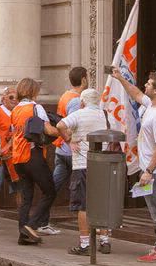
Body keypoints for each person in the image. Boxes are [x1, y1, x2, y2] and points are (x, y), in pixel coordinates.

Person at [112, 67, 156, 262]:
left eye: (149, 84)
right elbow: (136, 94)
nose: (145, 86)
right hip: (152, 170)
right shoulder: (151, 105)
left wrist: (148, 171)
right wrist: (120, 78)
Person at [56, 88, 110, 255]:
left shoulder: (79, 114)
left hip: (82, 163)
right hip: (101, 163)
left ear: (82, 102)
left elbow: (60, 125)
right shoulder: (103, 114)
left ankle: (85, 244)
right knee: (101, 203)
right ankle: (105, 240)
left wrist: (69, 139)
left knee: (83, 205)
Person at [10, 78, 59, 245]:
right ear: (34, 91)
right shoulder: (35, 108)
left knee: (27, 196)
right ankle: (31, 226)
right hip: (32, 155)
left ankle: (23, 235)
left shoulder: (15, 109)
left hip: (17, 157)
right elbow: (48, 129)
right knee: (50, 191)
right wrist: (65, 131)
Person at [42, 66, 90, 235]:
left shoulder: (65, 96)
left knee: (53, 187)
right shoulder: (77, 100)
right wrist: (71, 141)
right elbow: (71, 125)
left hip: (61, 149)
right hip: (72, 151)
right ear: (83, 80)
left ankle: (41, 219)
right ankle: (91, 228)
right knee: (85, 190)